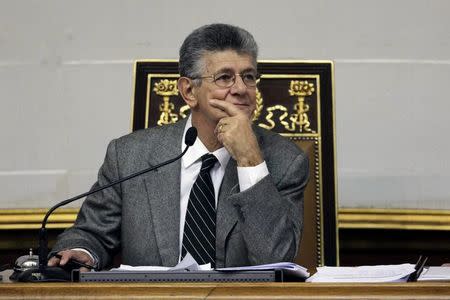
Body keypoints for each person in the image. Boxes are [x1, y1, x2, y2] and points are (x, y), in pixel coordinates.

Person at [49, 23, 309, 271]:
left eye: (249, 77)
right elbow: (91, 234)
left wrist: (250, 160)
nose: (241, 89)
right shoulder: (129, 156)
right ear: (188, 91)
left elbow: (276, 258)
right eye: (225, 77)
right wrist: (81, 252)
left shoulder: (285, 161)